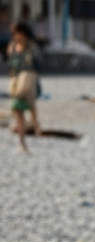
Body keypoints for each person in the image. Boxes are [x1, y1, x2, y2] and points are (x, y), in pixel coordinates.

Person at [7, 22, 39, 153]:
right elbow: (10, 64)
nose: (15, 36)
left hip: (28, 83)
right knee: (16, 110)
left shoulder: (31, 47)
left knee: (30, 107)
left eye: (17, 32)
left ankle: (36, 125)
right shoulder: (13, 46)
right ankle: (22, 141)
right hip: (16, 83)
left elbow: (37, 65)